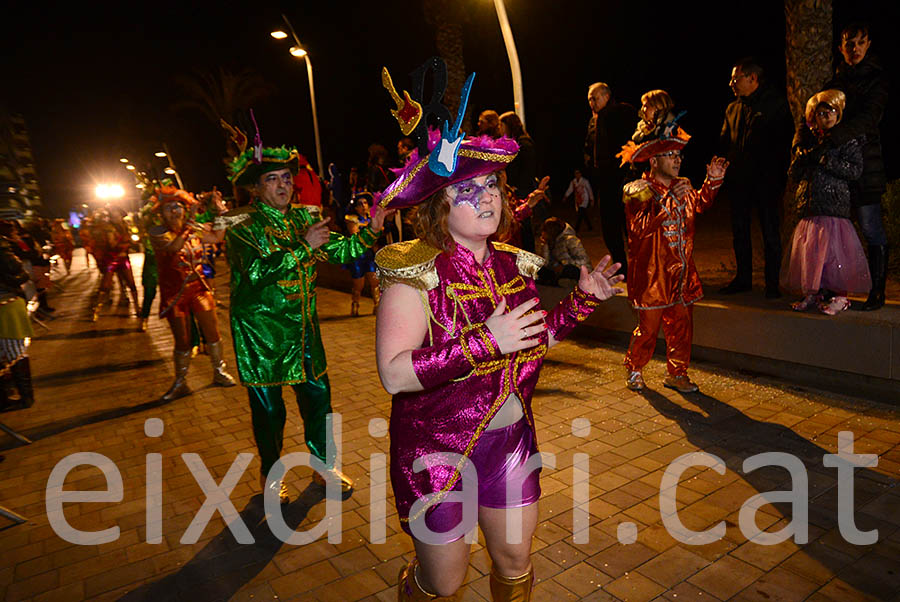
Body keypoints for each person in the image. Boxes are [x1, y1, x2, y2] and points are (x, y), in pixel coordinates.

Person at [374, 128, 623, 600]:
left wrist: (580, 303)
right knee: (444, 583)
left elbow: (532, 340)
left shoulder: (515, 266)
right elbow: (394, 372)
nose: (486, 197)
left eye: (492, 185)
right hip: (437, 452)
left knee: (514, 562)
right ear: (438, 204)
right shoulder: (415, 273)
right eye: (466, 189)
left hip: (510, 442)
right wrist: (484, 341)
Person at [221, 144, 391, 503]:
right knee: (269, 412)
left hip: (304, 332)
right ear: (256, 187)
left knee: (319, 400)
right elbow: (253, 274)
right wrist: (302, 247)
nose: (283, 185)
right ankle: (270, 474)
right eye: (273, 179)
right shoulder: (242, 227)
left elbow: (341, 251)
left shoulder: (303, 218)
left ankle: (322, 466)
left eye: (286, 178)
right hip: (262, 334)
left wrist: (372, 230)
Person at [618, 121, 729, 393]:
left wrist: (713, 181)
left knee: (681, 325)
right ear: (654, 161)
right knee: (648, 328)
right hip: (653, 275)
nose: (678, 160)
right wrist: (667, 201)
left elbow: (700, 203)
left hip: (681, 274)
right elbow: (639, 228)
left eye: (680, 156)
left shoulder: (683, 185)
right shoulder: (638, 190)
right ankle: (634, 367)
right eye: (671, 156)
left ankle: (677, 373)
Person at [783, 90, 870, 314]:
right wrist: (802, 158)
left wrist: (827, 160)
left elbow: (855, 170)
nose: (826, 116)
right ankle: (813, 292)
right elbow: (794, 173)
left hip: (834, 207)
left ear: (838, 114)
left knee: (834, 254)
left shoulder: (844, 141)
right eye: (821, 113)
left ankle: (840, 296)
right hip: (811, 207)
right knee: (811, 253)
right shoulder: (810, 141)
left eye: (831, 111)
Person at [823, 22, 890, 311]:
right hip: (838, 168)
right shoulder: (834, 82)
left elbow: (869, 118)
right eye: (849, 44)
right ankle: (836, 291)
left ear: (868, 44)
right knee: (837, 229)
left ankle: (877, 291)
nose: (854, 49)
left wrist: (835, 134)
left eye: (860, 43)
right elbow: (818, 111)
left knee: (870, 226)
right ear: (841, 48)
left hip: (867, 165)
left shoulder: (877, 80)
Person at [147, 186, 236, 401]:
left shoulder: (193, 228)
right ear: (161, 213)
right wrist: (190, 221)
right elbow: (174, 249)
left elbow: (217, 236)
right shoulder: (158, 232)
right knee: (183, 341)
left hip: (199, 290)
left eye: (178, 206)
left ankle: (219, 371)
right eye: (169, 208)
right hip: (175, 295)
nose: (174, 211)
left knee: (213, 333)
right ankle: (180, 382)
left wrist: (220, 209)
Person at [718, 57, 794, 298]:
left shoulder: (776, 104)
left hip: (766, 179)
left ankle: (772, 283)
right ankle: (743, 278)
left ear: (753, 78)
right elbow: (724, 142)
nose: (731, 83)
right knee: (739, 229)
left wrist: (777, 174)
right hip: (739, 179)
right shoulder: (733, 108)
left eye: (736, 78)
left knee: (770, 230)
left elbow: (783, 143)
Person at [583, 82, 637, 278]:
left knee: (627, 224)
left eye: (594, 98)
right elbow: (590, 146)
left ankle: (638, 265)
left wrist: (625, 169)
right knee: (609, 226)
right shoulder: (594, 120)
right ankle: (621, 266)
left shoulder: (621, 113)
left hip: (621, 178)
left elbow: (630, 142)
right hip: (603, 180)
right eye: (589, 99)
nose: (591, 102)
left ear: (606, 96)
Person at [89, 206, 140, 321]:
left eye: (117, 215)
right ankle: (96, 309)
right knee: (105, 286)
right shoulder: (109, 228)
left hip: (123, 259)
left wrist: (131, 242)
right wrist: (127, 244)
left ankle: (137, 308)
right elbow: (112, 244)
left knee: (131, 283)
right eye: (113, 216)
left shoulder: (125, 227)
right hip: (111, 259)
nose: (116, 218)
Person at [0, 237, 34, 409]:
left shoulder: (5, 250)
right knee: (12, 353)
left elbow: (19, 273)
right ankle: (6, 398)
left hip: (7, 305)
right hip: (9, 303)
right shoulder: (5, 248)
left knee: (15, 353)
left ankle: (25, 397)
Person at [499, 111, 539, 252]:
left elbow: (527, 169)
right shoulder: (515, 142)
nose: (500, 129)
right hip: (516, 188)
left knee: (524, 226)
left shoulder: (523, 143)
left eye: (501, 125)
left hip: (522, 189)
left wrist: (517, 186)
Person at [343, 192, 380, 316]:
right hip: (358, 255)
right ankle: (355, 305)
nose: (363, 206)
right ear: (356, 207)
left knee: (374, 280)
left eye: (365, 203)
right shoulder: (351, 219)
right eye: (360, 204)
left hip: (369, 254)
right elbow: (354, 234)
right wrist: (368, 228)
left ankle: (377, 305)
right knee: (359, 284)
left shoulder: (371, 218)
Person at [538, 217, 592, 286]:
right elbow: (546, 262)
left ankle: (562, 282)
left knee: (569, 270)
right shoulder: (552, 241)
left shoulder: (570, 240)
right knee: (540, 270)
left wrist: (563, 265)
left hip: (578, 270)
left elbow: (584, 260)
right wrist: (544, 245)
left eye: (544, 231)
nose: (542, 234)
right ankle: (561, 282)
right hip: (560, 269)